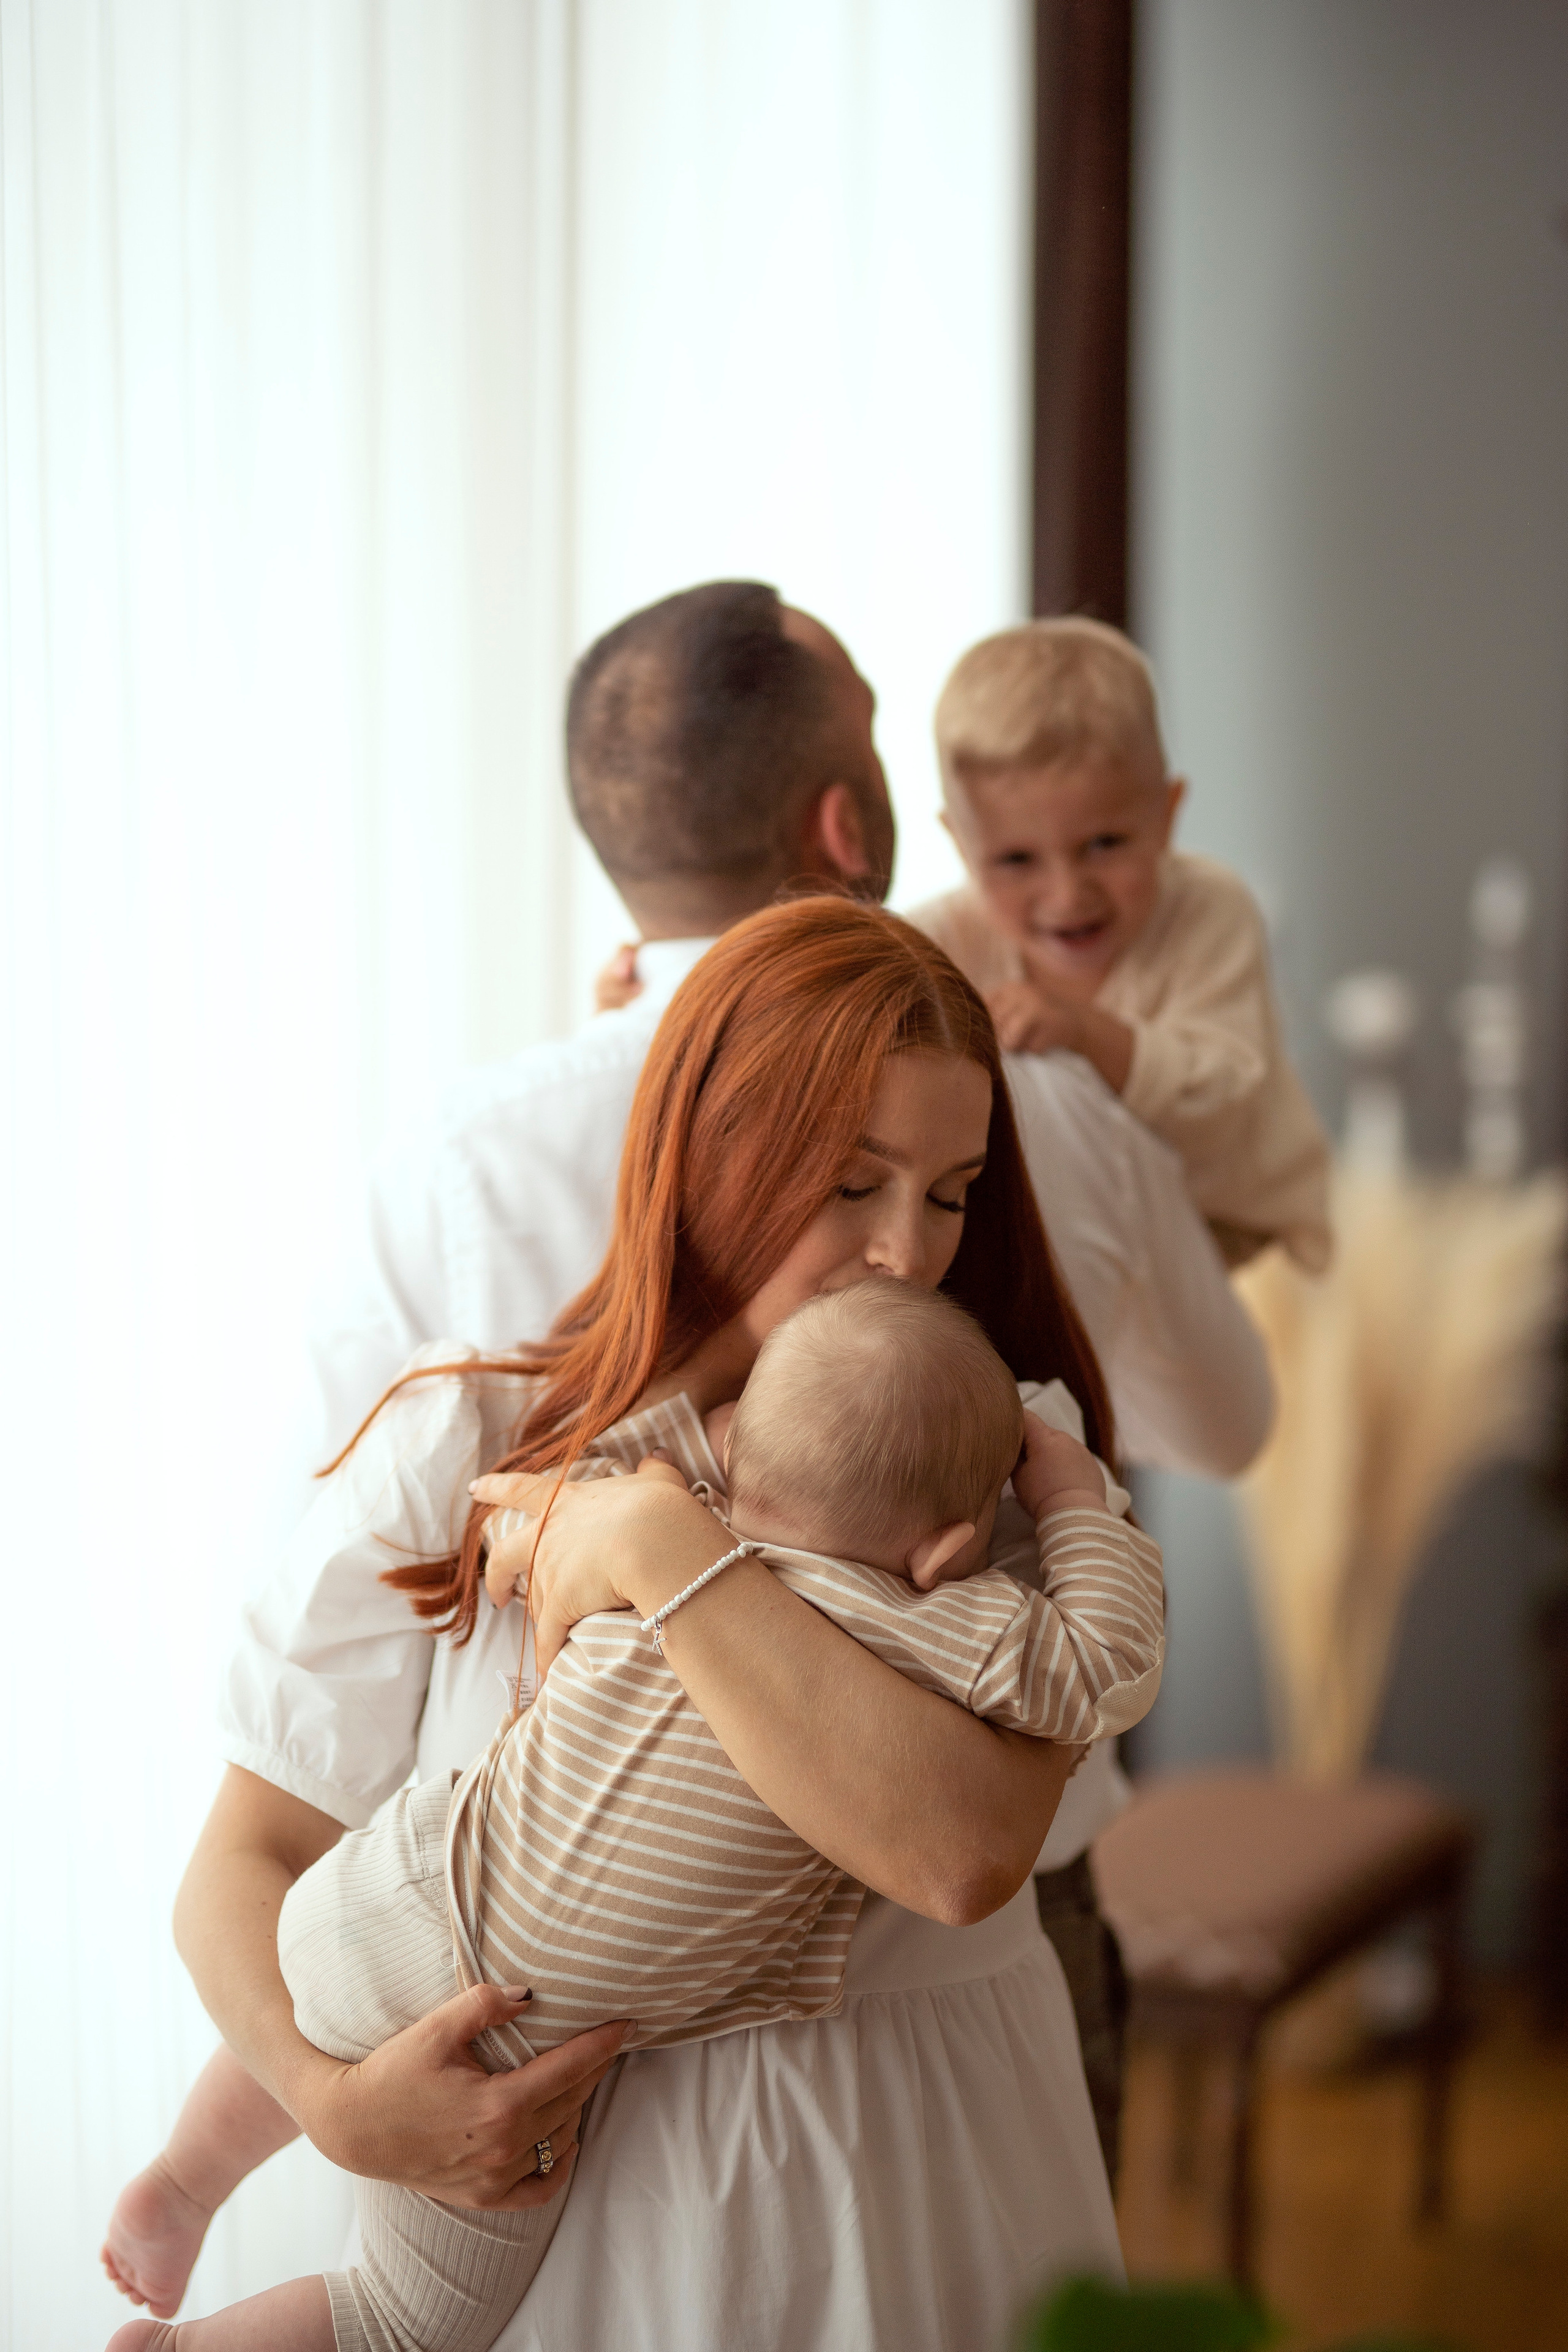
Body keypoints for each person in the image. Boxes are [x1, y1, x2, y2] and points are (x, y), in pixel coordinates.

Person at [102, 584, 1270, 2335]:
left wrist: (658, 1552)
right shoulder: (466, 1427)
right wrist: (333, 2101)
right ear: (717, 1146)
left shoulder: (981, 1437)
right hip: (601, 2189)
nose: (907, 1256)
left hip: (942, 2135)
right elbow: (241, 1866)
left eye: (949, 1195)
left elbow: (959, 1854)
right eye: (849, 1179)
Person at [111, 1279, 1163, 2352]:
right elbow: (1102, 1663)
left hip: (397, 1883)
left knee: (329, 1985)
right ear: (948, 1548)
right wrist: (1075, 1501)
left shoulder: (645, 1498)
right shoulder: (932, 1620)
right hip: (506, 2041)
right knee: (393, 2324)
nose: (899, 1244)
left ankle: (181, 2182)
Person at [912, 616, 1332, 1273]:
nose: (1067, 895)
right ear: (961, 846)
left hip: (1235, 1231)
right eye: (1016, 860)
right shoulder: (933, 944)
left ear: (1166, 815)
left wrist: (1084, 1031)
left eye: (1103, 845)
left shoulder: (1210, 910)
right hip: (1075, 1239)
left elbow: (1225, 1100)